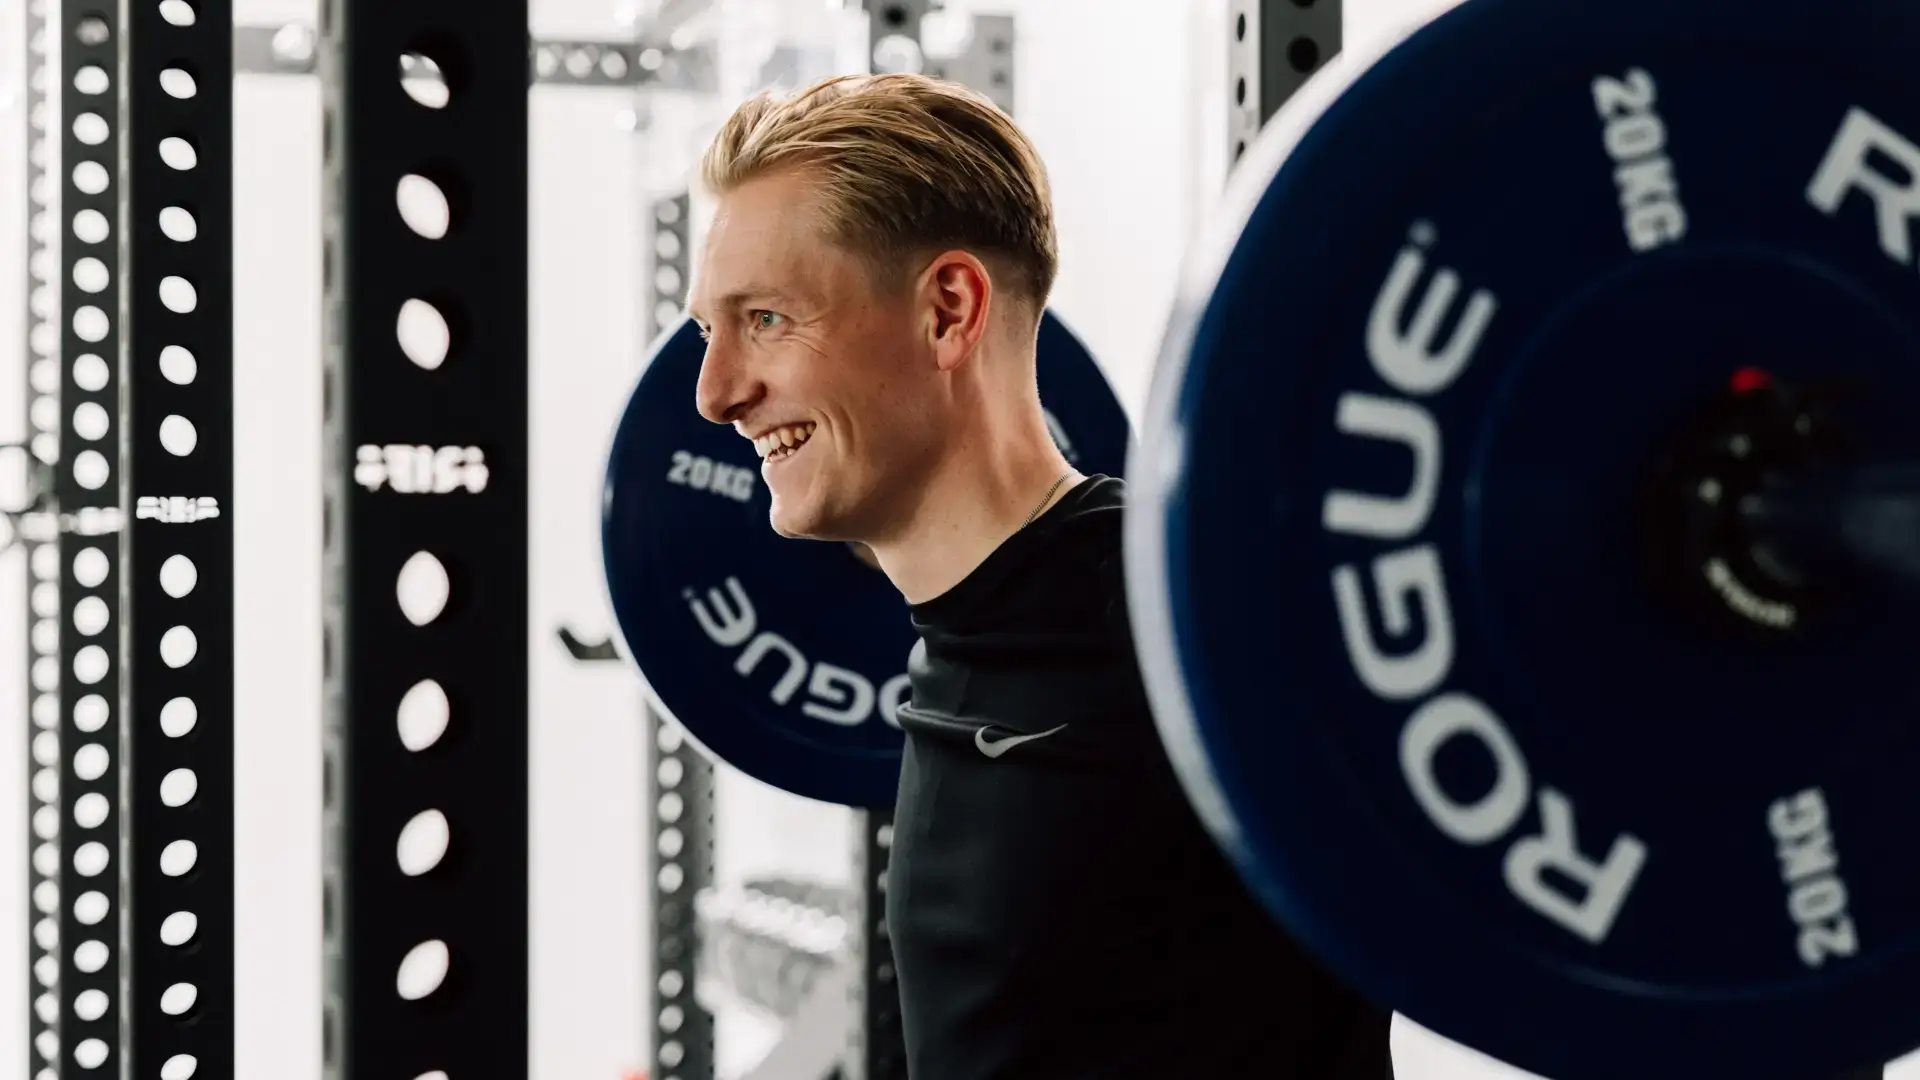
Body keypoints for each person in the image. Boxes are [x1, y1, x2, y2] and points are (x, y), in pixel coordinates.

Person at [687, 72, 1394, 1080]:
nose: (716, 395)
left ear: (947, 310)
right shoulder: (965, 643)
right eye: (709, 331)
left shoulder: (1185, 629)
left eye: (764, 319)